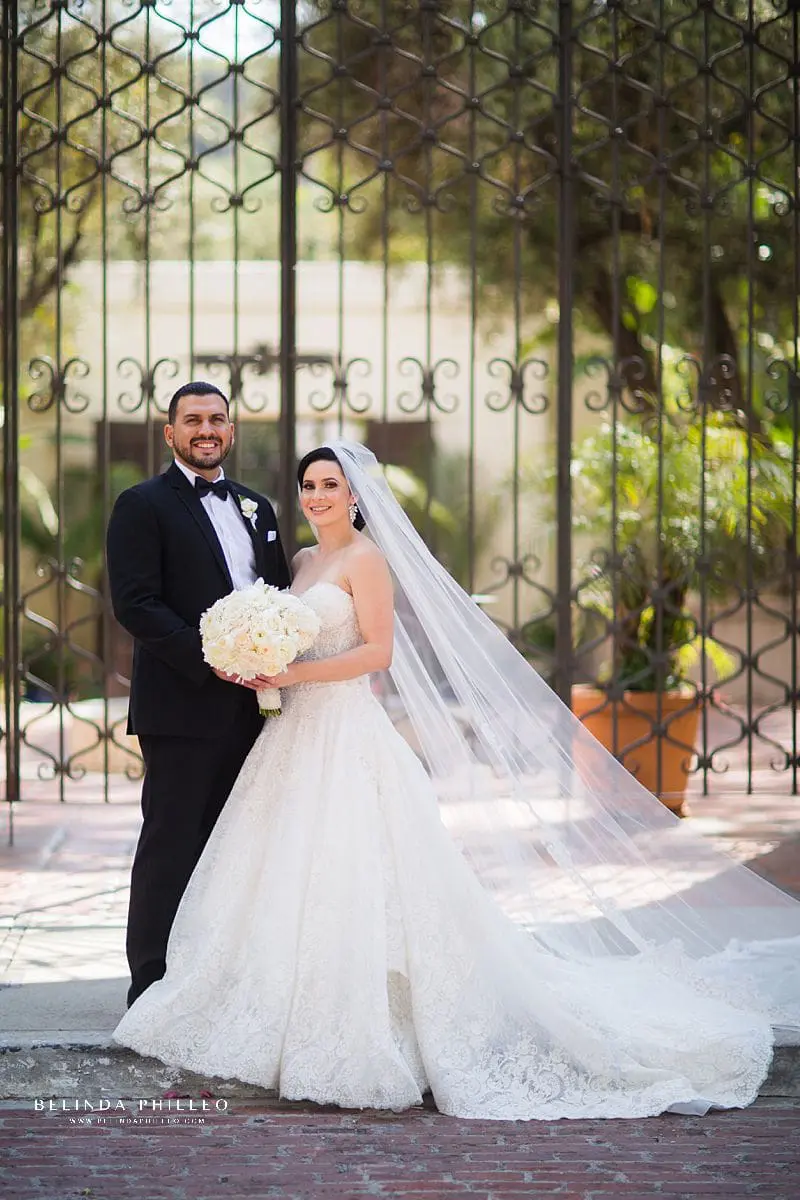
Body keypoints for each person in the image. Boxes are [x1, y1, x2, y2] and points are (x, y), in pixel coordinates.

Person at [111, 440, 800, 1120]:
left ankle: (368, 1019)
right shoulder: (299, 561)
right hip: (292, 732)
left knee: (355, 871)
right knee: (285, 869)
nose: (317, 496)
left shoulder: (366, 560)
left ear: (356, 496)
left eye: (330, 485)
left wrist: (293, 672)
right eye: (309, 486)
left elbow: (376, 653)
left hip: (345, 731)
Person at [105, 381, 290, 1008]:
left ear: (231, 431)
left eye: (216, 419)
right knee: (173, 845)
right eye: (193, 420)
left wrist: (272, 656)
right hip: (182, 707)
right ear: (171, 433)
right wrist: (214, 659)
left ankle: (217, 984)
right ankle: (150, 989)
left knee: (237, 849)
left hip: (256, 710)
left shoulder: (257, 507)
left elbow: (276, 595)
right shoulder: (142, 504)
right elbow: (136, 603)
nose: (205, 430)